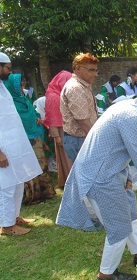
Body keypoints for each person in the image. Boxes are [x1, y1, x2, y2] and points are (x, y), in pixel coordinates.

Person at [56, 91, 137, 280]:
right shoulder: (133, 117)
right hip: (100, 176)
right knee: (119, 226)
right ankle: (106, 275)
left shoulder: (129, 107)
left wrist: (127, 175)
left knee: (129, 212)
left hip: (108, 171)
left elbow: (118, 148)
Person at [0, 52, 42, 236]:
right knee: (7, 185)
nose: (9, 72)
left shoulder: (2, 86)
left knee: (17, 182)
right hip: (3, 148)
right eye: (8, 68)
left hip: (13, 144)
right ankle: (7, 226)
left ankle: (14, 217)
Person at [5, 73, 56, 202]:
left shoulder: (24, 99)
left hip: (35, 136)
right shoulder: (9, 103)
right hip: (21, 139)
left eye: (23, 84)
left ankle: (46, 192)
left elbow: (34, 112)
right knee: (28, 167)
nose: (23, 86)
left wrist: (37, 118)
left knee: (41, 164)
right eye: (20, 85)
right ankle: (32, 196)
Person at [60, 53, 99, 163]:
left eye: (96, 71)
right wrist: (97, 141)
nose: (95, 74)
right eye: (91, 70)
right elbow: (83, 122)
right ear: (77, 68)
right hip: (80, 139)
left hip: (83, 138)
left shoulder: (83, 85)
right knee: (86, 177)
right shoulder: (75, 88)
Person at [44, 71, 73, 188]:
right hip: (60, 132)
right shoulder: (53, 97)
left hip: (66, 129)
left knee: (68, 157)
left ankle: (70, 179)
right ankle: (70, 180)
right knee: (67, 158)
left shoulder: (60, 94)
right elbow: (52, 118)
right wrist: (57, 136)